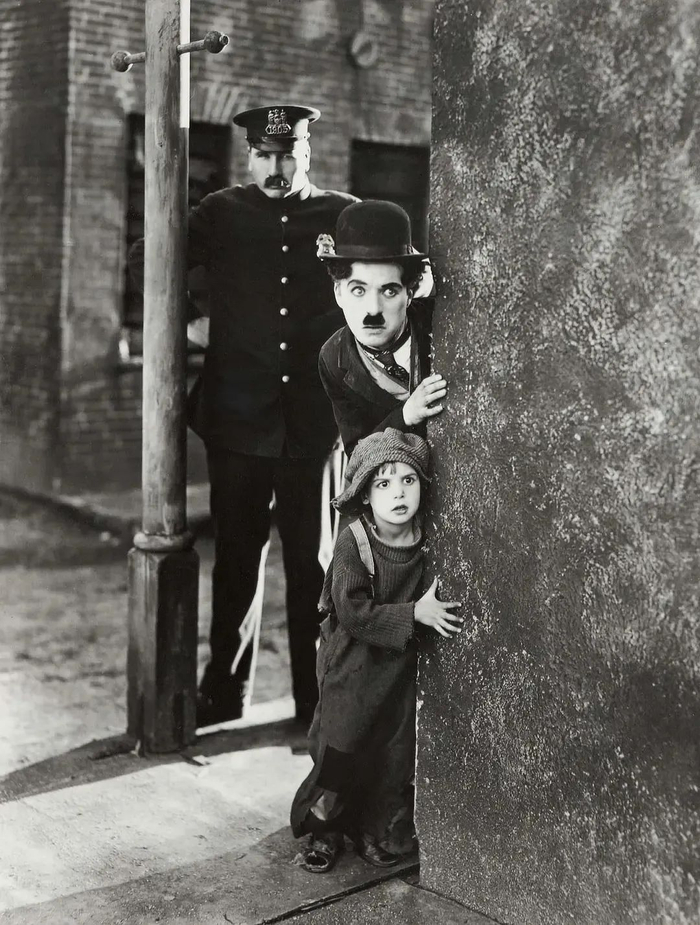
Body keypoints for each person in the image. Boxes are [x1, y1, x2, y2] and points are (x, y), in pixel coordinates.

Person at [129, 105, 358, 729]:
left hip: (311, 425)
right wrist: (189, 322)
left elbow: (397, 272)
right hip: (236, 420)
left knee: (314, 567)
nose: (276, 168)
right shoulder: (221, 212)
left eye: (288, 155)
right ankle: (225, 694)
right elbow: (149, 254)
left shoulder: (342, 214)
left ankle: (316, 698)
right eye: (264, 156)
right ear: (249, 157)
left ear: (307, 153)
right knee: (235, 561)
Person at [290, 428, 462, 873]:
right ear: (365, 495)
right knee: (341, 749)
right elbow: (351, 611)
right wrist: (414, 614)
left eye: (408, 479)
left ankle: (373, 831)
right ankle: (324, 830)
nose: (398, 492)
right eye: (383, 483)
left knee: (391, 754)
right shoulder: (355, 542)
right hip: (352, 664)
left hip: (395, 667)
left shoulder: (425, 536)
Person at [317, 200, 448, 459]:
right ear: (338, 293)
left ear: (410, 293)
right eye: (359, 290)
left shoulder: (439, 324)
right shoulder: (333, 358)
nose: (373, 310)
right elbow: (357, 451)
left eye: (389, 291)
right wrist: (405, 416)